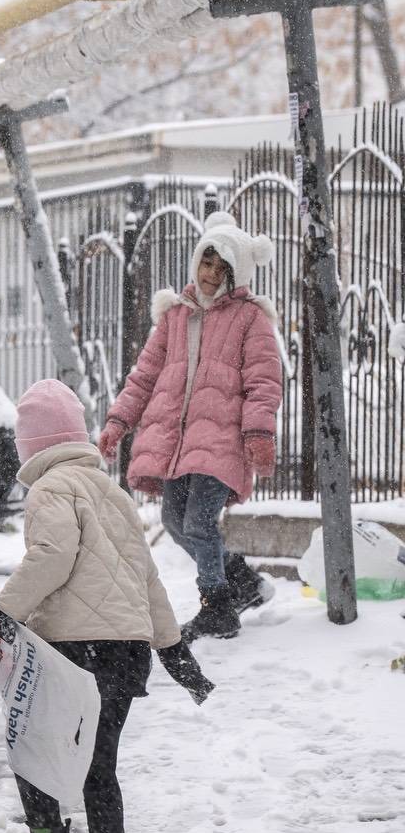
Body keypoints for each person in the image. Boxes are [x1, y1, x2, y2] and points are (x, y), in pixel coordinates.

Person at [0, 379, 212, 833]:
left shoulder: (50, 488)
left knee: (35, 751)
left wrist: (3, 612)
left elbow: (52, 554)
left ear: (30, 445)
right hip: (125, 653)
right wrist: (172, 650)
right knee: (98, 766)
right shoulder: (113, 495)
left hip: (73, 651)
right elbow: (147, 577)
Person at [98, 211, 283, 643]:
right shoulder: (175, 317)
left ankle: (217, 607)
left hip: (223, 441)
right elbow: (144, 376)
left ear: (235, 275)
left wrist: (259, 432)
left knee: (199, 523)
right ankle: (242, 582)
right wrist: (118, 422)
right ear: (196, 260)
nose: (211, 274)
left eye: (222, 269)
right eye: (207, 262)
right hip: (177, 444)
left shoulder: (250, 319)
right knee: (176, 522)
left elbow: (263, 380)